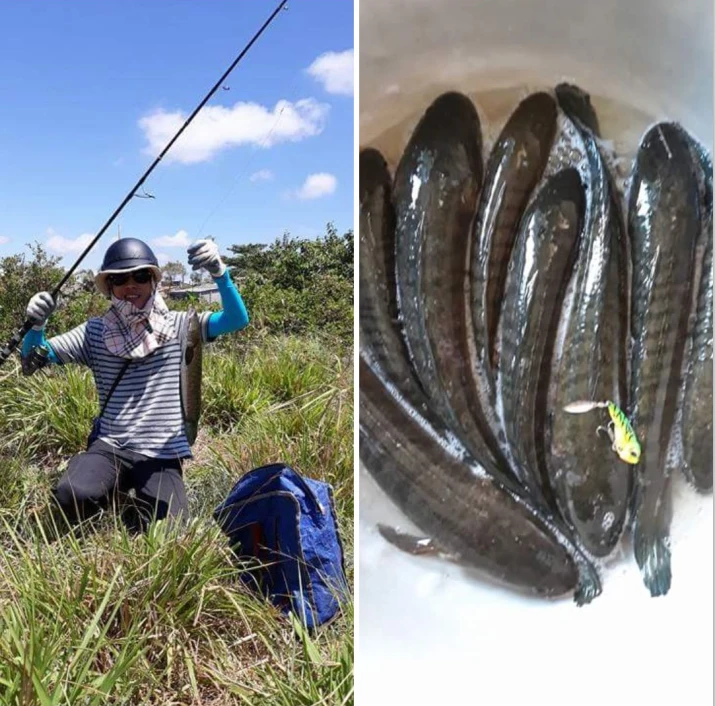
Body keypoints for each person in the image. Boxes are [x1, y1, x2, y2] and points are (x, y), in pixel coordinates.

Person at [22, 237, 249, 532]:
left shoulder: (181, 326)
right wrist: (36, 327)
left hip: (162, 452)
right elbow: (33, 361)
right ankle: (98, 478)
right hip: (111, 444)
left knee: (173, 530)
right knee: (72, 494)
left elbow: (236, 319)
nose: (131, 285)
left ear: (153, 281)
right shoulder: (94, 332)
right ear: (110, 287)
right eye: (120, 278)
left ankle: (130, 500)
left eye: (141, 276)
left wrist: (219, 272)